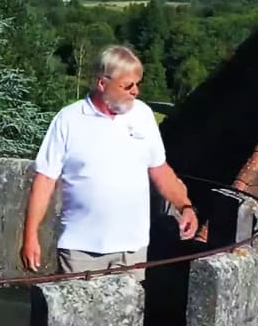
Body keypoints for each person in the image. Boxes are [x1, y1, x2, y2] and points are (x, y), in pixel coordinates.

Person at [20, 45, 198, 280]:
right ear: (102, 83)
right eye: (128, 85)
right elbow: (44, 180)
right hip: (81, 250)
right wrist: (30, 236)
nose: (135, 91)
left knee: (128, 317)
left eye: (137, 84)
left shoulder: (143, 116)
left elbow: (160, 170)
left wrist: (185, 206)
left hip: (132, 250)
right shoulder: (69, 120)